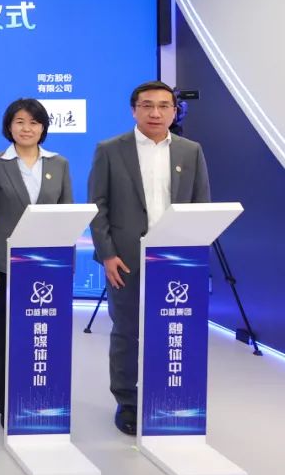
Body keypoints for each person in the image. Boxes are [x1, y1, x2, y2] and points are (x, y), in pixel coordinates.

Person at [88, 80, 210, 436]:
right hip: (125, 259)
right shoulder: (110, 149)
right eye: (147, 105)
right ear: (134, 110)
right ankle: (127, 401)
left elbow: (201, 205)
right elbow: (98, 207)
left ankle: (168, 394)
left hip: (176, 259)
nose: (155, 113)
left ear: (174, 111)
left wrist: (193, 255)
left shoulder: (191, 151)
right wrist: (107, 255)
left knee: (173, 329)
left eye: (163, 106)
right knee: (127, 332)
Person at [0, 98, 73, 426]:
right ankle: (8, 404)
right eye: (19, 122)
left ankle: (43, 397)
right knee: (8, 337)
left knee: (45, 336)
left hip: (48, 268)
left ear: (43, 127)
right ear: (9, 127)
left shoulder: (59, 164)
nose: (27, 128)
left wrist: (67, 265)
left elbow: (68, 217)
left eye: (33, 122)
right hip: (7, 267)